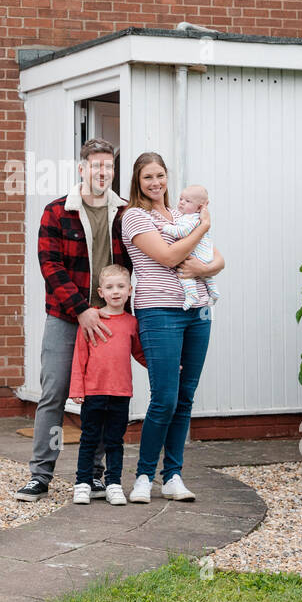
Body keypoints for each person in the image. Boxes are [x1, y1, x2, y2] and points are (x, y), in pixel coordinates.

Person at [15, 138, 131, 502]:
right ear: (81, 169)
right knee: (54, 394)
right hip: (66, 317)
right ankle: (41, 475)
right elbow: (50, 266)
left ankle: (94, 474)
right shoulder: (56, 212)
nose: (102, 172)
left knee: (102, 397)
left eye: (108, 166)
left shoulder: (125, 214)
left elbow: (138, 263)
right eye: (96, 166)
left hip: (109, 322)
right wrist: (81, 309)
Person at [120, 153, 225, 503]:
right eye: (147, 177)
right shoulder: (134, 216)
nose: (155, 183)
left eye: (160, 176)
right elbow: (166, 256)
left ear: (168, 177)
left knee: (185, 397)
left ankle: (173, 476)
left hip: (198, 312)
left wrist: (202, 270)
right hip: (159, 312)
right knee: (163, 398)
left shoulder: (181, 214)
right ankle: (144, 476)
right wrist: (204, 228)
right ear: (137, 181)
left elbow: (218, 260)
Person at [70, 265, 146, 506]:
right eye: (110, 287)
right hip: (93, 392)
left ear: (130, 290)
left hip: (121, 392)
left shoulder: (132, 323)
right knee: (89, 438)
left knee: (115, 441)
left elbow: (140, 353)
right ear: (101, 292)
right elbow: (79, 357)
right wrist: (77, 390)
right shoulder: (91, 319)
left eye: (121, 287)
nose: (116, 292)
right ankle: (83, 483)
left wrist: (164, 366)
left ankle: (114, 484)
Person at [160, 184, 219, 309]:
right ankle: (213, 292)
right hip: (205, 256)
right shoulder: (197, 219)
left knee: (184, 273)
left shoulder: (190, 219)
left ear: (199, 207)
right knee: (206, 276)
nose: (181, 203)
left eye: (187, 201)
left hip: (196, 256)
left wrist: (166, 228)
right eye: (181, 199)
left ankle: (192, 294)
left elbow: (182, 232)